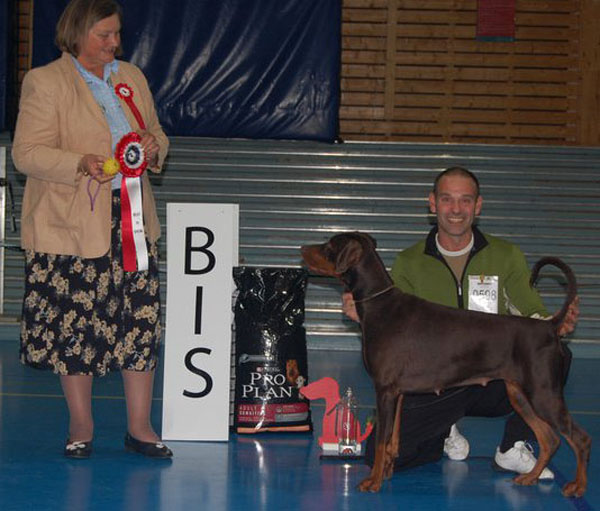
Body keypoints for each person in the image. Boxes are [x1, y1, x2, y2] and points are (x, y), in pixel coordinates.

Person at [342, 166, 578, 477]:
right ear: (432, 203)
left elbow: (530, 311)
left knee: (554, 352)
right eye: (447, 200)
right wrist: (365, 314)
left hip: (492, 374)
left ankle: (513, 445)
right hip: (435, 381)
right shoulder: (409, 261)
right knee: (379, 458)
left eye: (465, 201)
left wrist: (553, 324)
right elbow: (394, 333)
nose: (456, 210)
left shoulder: (506, 254)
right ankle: (444, 429)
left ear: (478, 206)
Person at [12, 0, 172, 459]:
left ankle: (140, 427)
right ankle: (80, 425)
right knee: (74, 328)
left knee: (139, 323)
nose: (114, 43)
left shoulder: (131, 77)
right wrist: (77, 163)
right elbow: (25, 153)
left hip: (134, 216)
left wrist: (152, 147)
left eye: (117, 34)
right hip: (72, 224)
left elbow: (158, 134)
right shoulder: (45, 82)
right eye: (104, 35)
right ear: (78, 33)